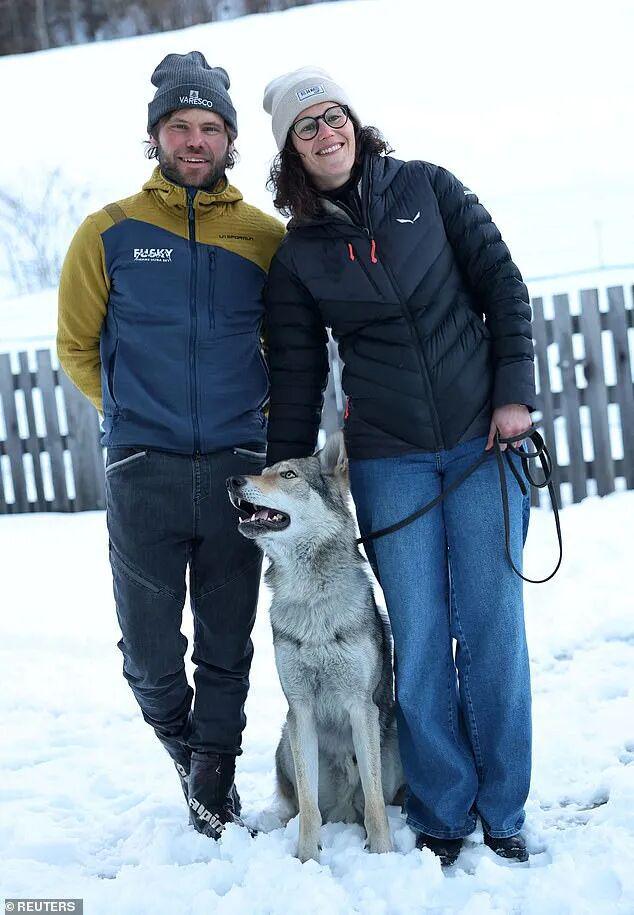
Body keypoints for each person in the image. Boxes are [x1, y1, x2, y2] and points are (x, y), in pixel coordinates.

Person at [261, 68, 534, 865]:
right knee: (416, 640)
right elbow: (298, 377)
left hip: (483, 441)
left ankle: (504, 807)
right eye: (306, 126)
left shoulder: (427, 188)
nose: (326, 133)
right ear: (290, 149)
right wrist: (282, 486)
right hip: (388, 461)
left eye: (333, 116)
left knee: (492, 628)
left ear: (354, 120)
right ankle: (441, 809)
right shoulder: (299, 255)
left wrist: (513, 393)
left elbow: (502, 283)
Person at [57, 51, 285, 840]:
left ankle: (214, 776)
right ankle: (189, 753)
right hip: (143, 470)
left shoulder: (264, 238)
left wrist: (256, 423)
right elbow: (76, 345)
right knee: (148, 652)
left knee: (227, 639)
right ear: (155, 136)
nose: (195, 140)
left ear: (231, 140)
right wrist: (131, 415)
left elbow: (287, 347)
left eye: (210, 127)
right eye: (180, 126)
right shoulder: (108, 232)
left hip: (235, 471)